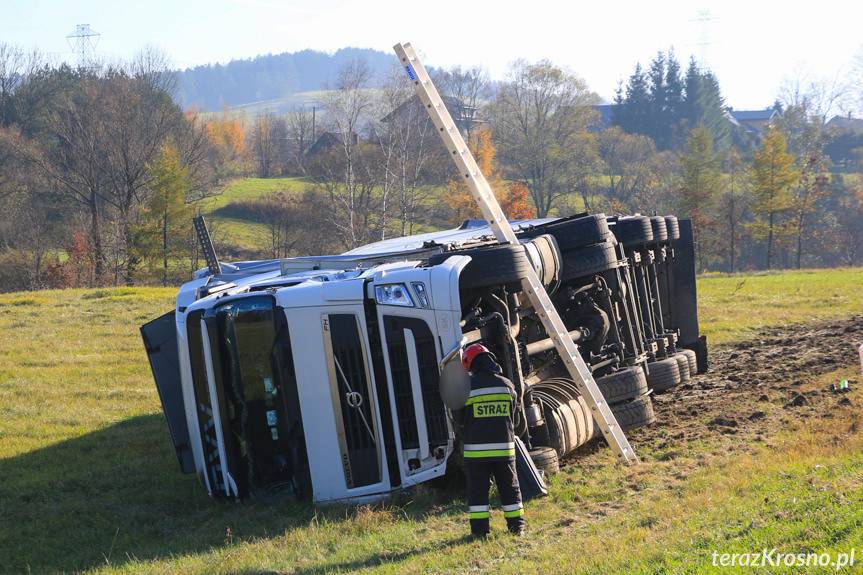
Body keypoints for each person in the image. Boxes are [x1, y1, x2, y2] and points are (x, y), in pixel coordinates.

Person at [460, 343, 525, 538]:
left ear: (470, 363)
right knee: (510, 488)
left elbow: (459, 419)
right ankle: (517, 528)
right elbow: (515, 418)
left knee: (478, 492)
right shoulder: (507, 385)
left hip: (476, 452)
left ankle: (480, 533)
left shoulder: (466, 388)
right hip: (504, 449)